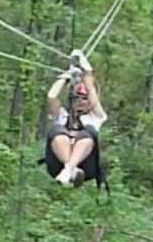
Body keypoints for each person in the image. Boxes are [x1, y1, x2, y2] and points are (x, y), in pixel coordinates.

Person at [44, 50, 107, 188]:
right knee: (56, 129)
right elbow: (51, 96)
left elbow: (91, 90)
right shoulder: (62, 116)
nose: (81, 101)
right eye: (77, 97)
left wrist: (87, 72)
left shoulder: (96, 117)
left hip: (86, 167)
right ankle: (70, 168)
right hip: (58, 166)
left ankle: (69, 169)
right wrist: (66, 77)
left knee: (89, 131)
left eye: (85, 98)